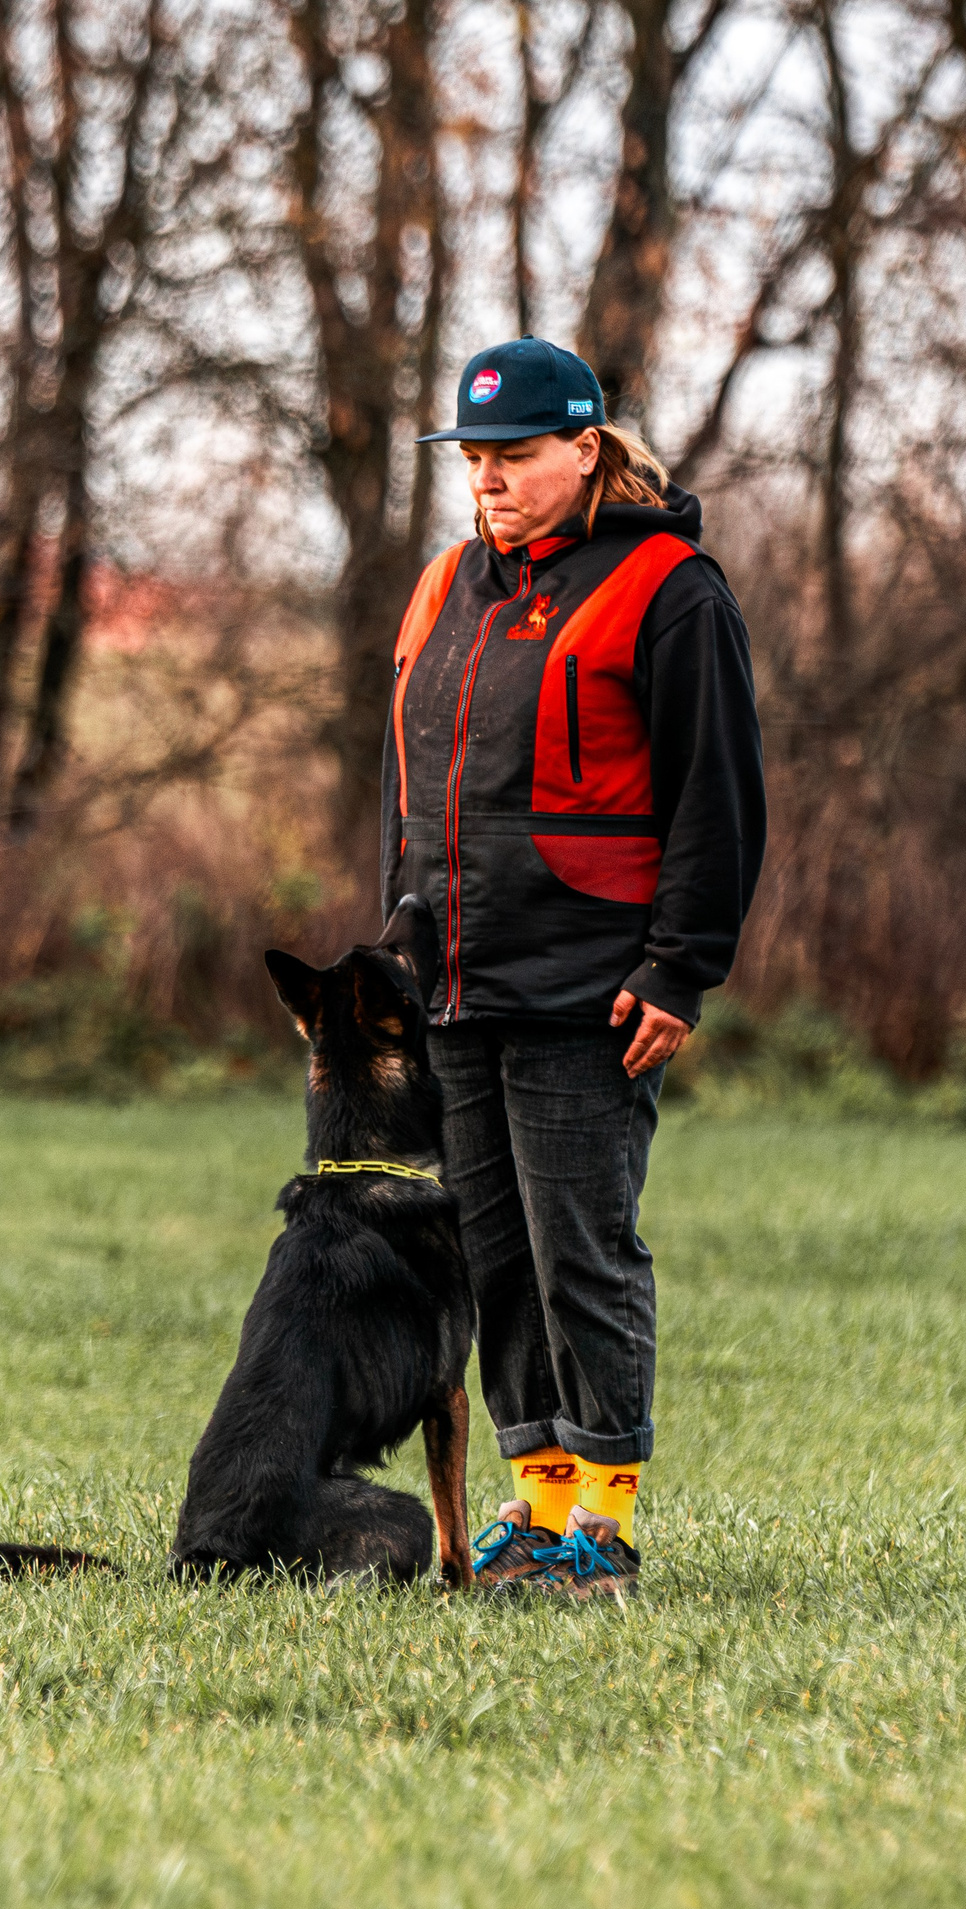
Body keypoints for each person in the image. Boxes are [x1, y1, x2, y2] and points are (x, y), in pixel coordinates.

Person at [383, 335, 765, 1599]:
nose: (488, 479)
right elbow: (413, 794)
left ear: (586, 449)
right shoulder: (446, 584)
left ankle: (603, 1526)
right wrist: (399, 948)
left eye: (516, 455)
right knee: (494, 1256)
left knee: (578, 1251)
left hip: (589, 988)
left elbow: (719, 801)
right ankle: (535, 1507)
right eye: (473, 458)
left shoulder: (670, 587)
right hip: (454, 983)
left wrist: (677, 970)